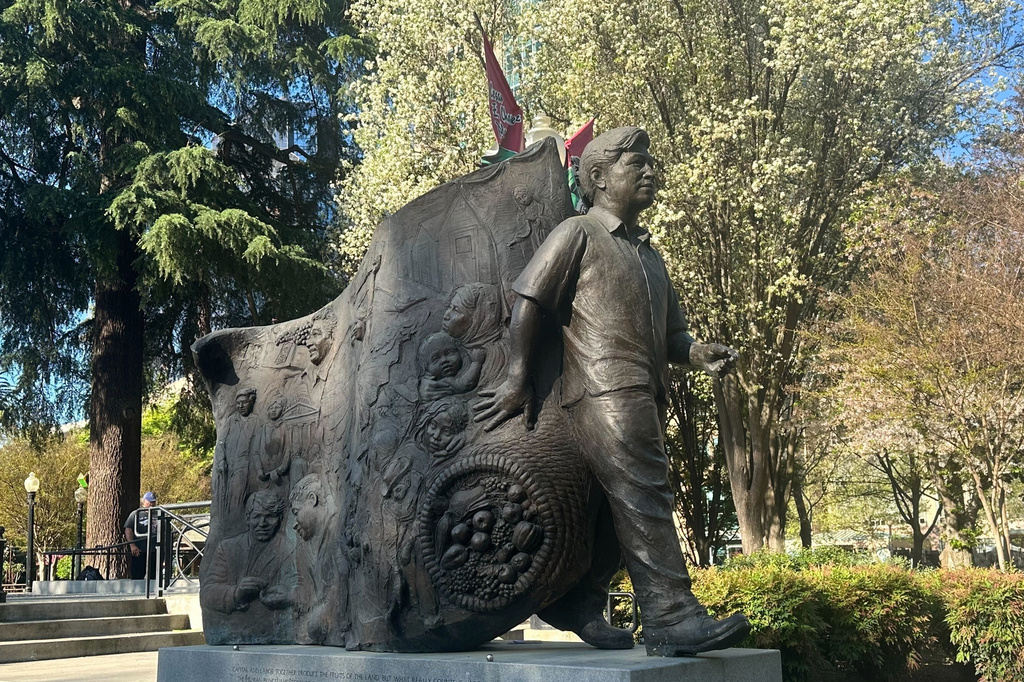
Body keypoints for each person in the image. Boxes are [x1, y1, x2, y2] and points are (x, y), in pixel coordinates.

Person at [473, 126, 750, 657]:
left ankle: (579, 602)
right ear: (598, 178)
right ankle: (671, 617)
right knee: (644, 495)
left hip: (644, 392)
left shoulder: (650, 257)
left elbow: (673, 338)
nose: (651, 173)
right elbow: (528, 301)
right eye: (636, 164)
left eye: (651, 164)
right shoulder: (577, 233)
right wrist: (515, 378)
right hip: (603, 390)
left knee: (607, 511)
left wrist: (698, 353)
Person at [124, 491, 158, 580]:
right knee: (137, 575)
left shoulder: (158, 514)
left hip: (154, 550)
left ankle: (152, 592)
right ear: (144, 501)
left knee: (154, 575)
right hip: (139, 550)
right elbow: (128, 529)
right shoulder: (136, 514)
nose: (151, 504)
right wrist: (132, 545)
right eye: (149, 502)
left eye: (153, 502)